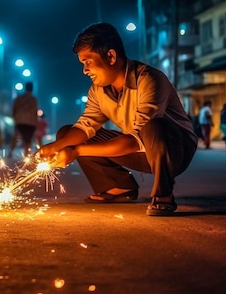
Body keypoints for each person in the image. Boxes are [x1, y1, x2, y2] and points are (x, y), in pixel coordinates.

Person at [38, 22, 197, 216]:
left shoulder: (149, 79)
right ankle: (119, 187)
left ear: (111, 56)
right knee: (66, 134)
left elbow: (137, 138)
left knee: (153, 126)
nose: (85, 70)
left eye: (88, 62)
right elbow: (85, 126)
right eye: (82, 64)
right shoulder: (98, 90)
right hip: (137, 149)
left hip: (173, 150)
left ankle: (163, 194)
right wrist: (54, 147)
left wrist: (77, 151)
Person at [9, 81, 38, 158]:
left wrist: (15, 118)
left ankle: (10, 152)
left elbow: (14, 110)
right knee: (27, 140)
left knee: (16, 137)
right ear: (32, 89)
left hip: (20, 121)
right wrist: (36, 123)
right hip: (31, 123)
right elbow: (35, 111)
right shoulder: (33, 99)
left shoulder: (19, 98)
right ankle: (26, 155)